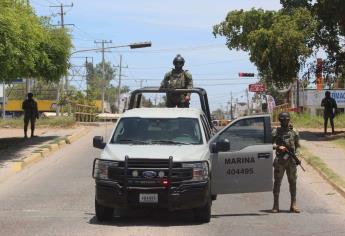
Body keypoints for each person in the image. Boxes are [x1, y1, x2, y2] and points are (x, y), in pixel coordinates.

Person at [271, 112, 301, 213]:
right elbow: (269, 144)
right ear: (280, 120)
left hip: (291, 161)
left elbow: (298, 146)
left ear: (289, 120)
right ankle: (275, 205)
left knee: (293, 182)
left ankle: (293, 205)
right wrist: (278, 146)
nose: (285, 121)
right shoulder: (276, 131)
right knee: (277, 183)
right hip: (280, 161)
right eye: (283, 120)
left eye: (286, 119)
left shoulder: (294, 132)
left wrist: (297, 155)